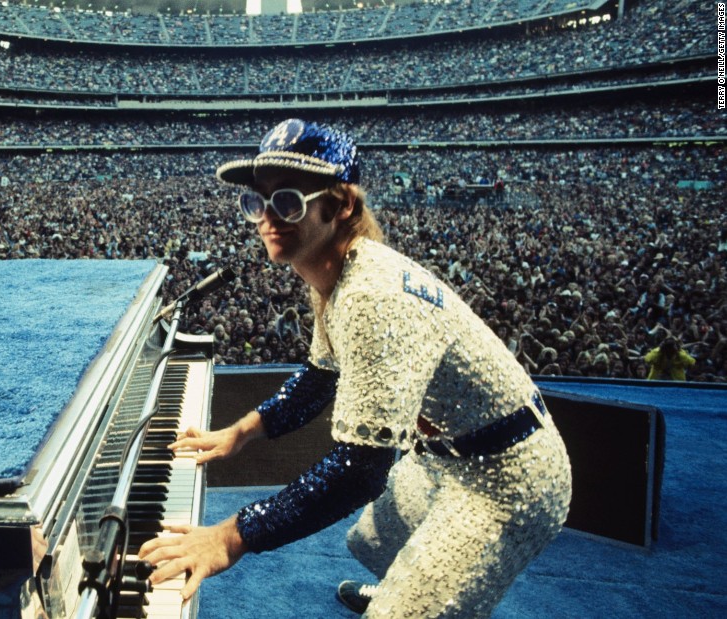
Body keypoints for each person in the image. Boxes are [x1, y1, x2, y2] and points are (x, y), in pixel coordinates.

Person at [139, 119, 572, 618]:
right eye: (259, 202)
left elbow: (360, 471)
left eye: (288, 201)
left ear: (340, 205)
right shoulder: (338, 270)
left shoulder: (371, 295)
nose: (267, 219)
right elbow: (322, 375)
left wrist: (233, 535)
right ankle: (408, 593)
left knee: (407, 604)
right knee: (370, 541)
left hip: (510, 477)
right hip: (448, 456)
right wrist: (241, 433)